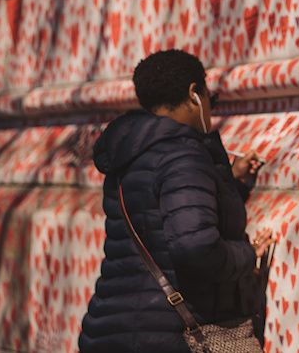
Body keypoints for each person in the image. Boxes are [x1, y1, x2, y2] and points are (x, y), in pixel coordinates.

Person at [79, 49, 275, 352]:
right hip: (172, 335)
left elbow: (160, 214)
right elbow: (194, 246)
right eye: (211, 98)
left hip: (110, 329)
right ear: (194, 93)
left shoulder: (131, 152)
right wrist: (246, 254)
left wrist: (229, 180)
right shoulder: (183, 153)